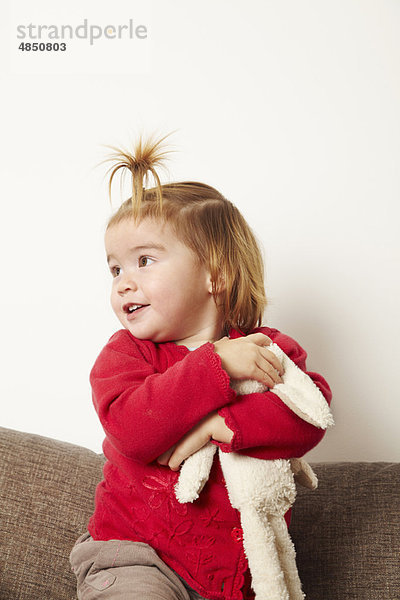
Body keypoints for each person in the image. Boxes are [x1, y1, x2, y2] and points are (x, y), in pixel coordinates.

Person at [70, 135, 332, 600]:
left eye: (144, 261)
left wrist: (217, 425)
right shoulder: (127, 355)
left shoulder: (263, 348)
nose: (124, 283)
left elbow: (309, 413)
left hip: (235, 576)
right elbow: (133, 430)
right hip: (135, 556)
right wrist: (215, 364)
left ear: (216, 273)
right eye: (114, 270)